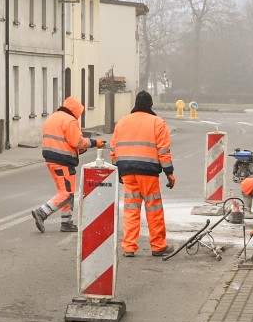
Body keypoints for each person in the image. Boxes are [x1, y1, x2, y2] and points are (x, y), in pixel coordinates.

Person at [110, 90, 175, 258]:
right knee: (154, 209)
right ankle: (158, 246)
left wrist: (117, 169)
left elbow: (113, 148)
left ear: (135, 104)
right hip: (148, 172)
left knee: (131, 209)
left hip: (127, 172)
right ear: (150, 105)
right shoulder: (157, 122)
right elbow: (163, 150)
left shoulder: (122, 122)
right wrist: (169, 172)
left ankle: (129, 247)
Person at [30, 96, 99, 232]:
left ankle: (66, 223)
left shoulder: (53, 118)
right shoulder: (69, 120)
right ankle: (42, 212)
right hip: (62, 161)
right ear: (75, 110)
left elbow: (63, 141)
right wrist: (94, 143)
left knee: (65, 191)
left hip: (52, 159)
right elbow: (78, 142)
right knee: (67, 193)